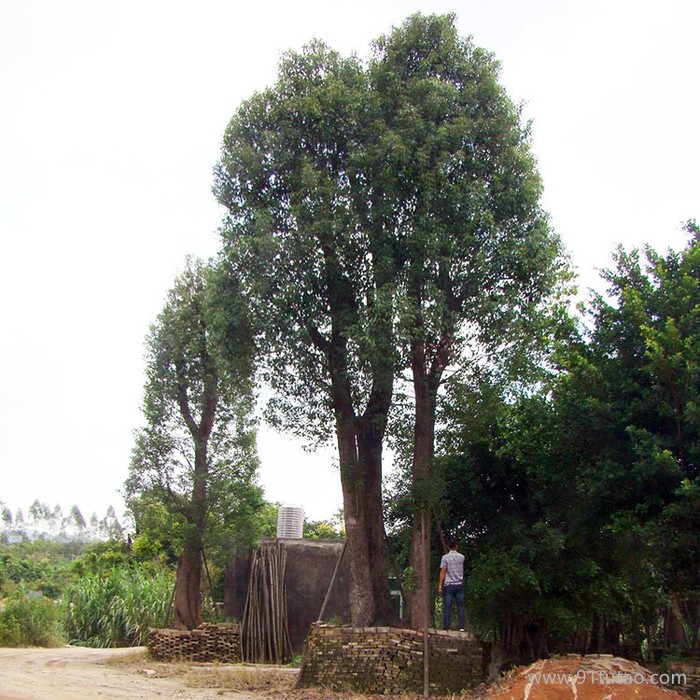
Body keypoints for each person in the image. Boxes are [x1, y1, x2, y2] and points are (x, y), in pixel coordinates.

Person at [438, 537, 465, 631]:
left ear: (448, 546)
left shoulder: (445, 558)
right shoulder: (462, 557)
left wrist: (440, 585)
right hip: (459, 584)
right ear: (456, 546)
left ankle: (447, 626)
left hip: (449, 585)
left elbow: (443, 572)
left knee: (447, 606)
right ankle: (461, 626)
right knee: (460, 606)